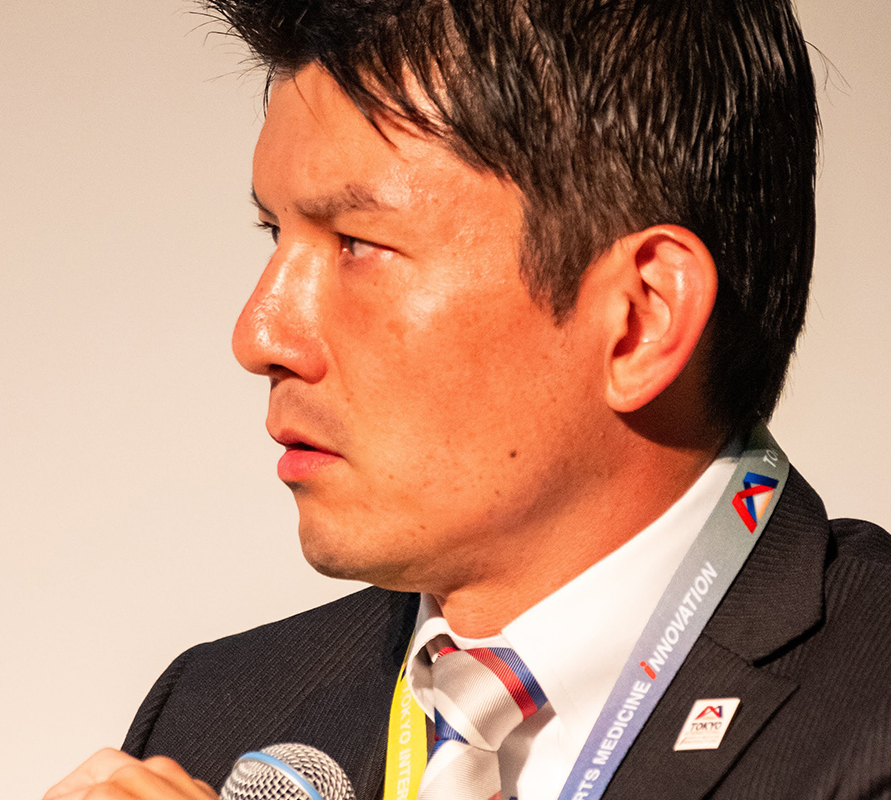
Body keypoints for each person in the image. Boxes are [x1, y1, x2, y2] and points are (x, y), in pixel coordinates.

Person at [45, 1, 891, 798]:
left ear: (640, 319)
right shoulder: (210, 711)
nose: (259, 334)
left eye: (357, 244)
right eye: (275, 233)